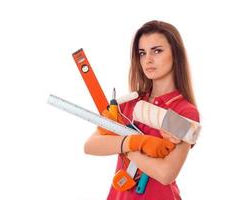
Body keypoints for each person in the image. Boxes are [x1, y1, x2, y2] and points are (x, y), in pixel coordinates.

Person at [84, 20, 200, 200]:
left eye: (157, 51)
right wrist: (135, 143)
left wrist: (124, 145)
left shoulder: (184, 111)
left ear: (175, 54)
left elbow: (166, 174)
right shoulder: (128, 104)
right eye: (142, 53)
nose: (148, 59)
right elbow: (91, 145)